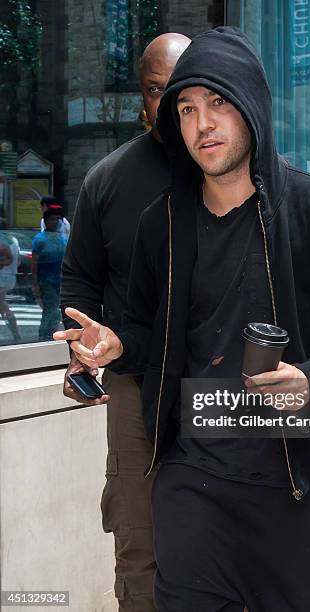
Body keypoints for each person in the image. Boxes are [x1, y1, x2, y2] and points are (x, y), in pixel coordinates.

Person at [55, 28, 310, 611]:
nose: (201, 124)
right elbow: (143, 336)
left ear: (252, 107)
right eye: (185, 109)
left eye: (218, 103)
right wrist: (114, 346)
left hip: (293, 485)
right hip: (191, 485)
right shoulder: (161, 223)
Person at [59, 33, 191, 612]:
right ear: (143, 98)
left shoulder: (231, 171)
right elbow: (81, 282)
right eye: (156, 90)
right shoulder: (107, 181)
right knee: (139, 543)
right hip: (133, 388)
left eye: (179, 88)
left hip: (217, 384)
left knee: (218, 539)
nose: (168, 103)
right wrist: (79, 353)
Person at [32, 209, 68, 340]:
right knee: (50, 310)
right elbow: (34, 263)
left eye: (57, 219)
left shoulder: (63, 238)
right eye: (52, 219)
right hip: (46, 281)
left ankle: (51, 337)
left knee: (58, 311)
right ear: (46, 221)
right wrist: (35, 284)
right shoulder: (39, 239)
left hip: (62, 281)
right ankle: (44, 338)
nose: (55, 222)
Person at [0, 232, 21, 341]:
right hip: (10, 276)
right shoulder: (13, 239)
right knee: (2, 306)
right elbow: (18, 261)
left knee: (3, 306)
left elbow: (8, 259)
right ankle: (15, 334)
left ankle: (16, 334)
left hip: (2, 277)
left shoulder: (2, 240)